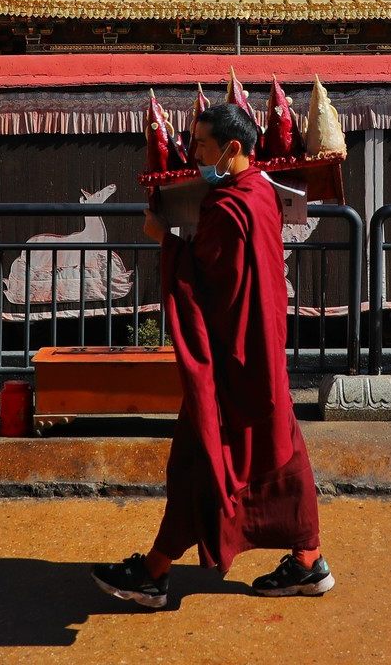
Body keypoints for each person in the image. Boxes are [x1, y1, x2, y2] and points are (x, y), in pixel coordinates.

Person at [93, 103, 332, 609]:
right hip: (262, 348)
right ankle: (308, 559)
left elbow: (204, 280)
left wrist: (165, 240)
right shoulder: (261, 190)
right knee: (283, 456)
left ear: (233, 148)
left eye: (202, 145)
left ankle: (155, 572)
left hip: (230, 356)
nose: (194, 153)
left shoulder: (226, 209)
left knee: (198, 459)